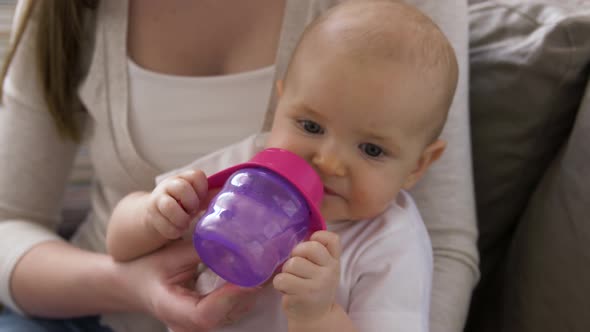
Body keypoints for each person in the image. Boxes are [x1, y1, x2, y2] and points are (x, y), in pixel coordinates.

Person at [0, 0, 478, 332]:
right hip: (92, 314)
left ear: (419, 166)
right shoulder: (249, 164)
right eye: (310, 126)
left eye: (371, 150)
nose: (328, 161)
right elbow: (119, 242)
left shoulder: (389, 245)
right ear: (281, 101)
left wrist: (315, 317)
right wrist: (152, 215)